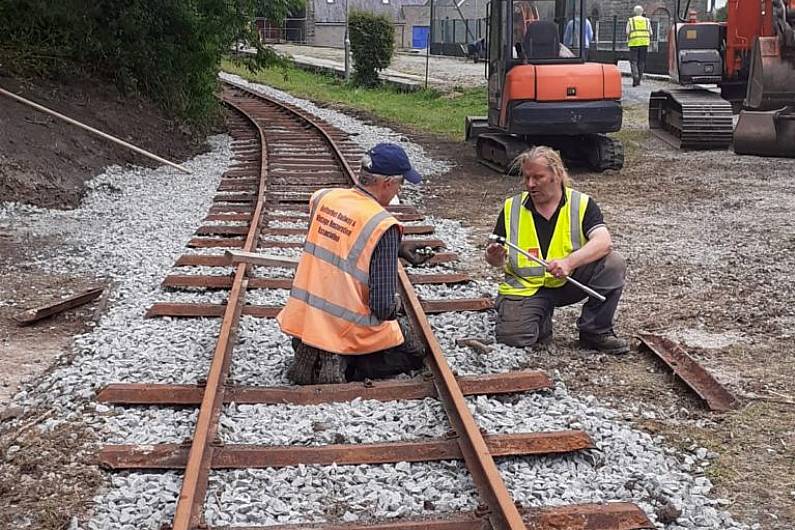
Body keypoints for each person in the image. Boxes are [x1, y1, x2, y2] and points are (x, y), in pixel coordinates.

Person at [277, 143, 431, 385]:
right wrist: (397, 306)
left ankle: (313, 347)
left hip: (307, 320)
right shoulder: (383, 224)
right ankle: (344, 363)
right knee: (412, 354)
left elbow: (339, 245)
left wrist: (395, 250)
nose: (398, 190)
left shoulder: (323, 198)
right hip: (347, 329)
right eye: (401, 184)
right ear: (388, 183)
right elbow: (381, 307)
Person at [484, 146, 629, 354]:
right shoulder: (512, 208)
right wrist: (493, 257)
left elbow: (603, 241)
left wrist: (569, 263)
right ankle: (536, 318)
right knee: (513, 338)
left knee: (613, 263)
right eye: (526, 178)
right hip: (528, 288)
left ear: (557, 175)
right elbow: (495, 260)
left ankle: (595, 331)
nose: (530, 184)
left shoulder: (581, 203)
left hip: (569, 281)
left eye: (538, 177)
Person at [626, 5, 652, 86]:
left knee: (634, 61)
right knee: (641, 61)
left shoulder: (631, 21)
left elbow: (627, 32)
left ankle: (635, 77)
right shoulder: (647, 21)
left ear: (635, 12)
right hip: (644, 43)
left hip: (634, 43)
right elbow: (651, 33)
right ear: (642, 12)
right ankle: (639, 79)